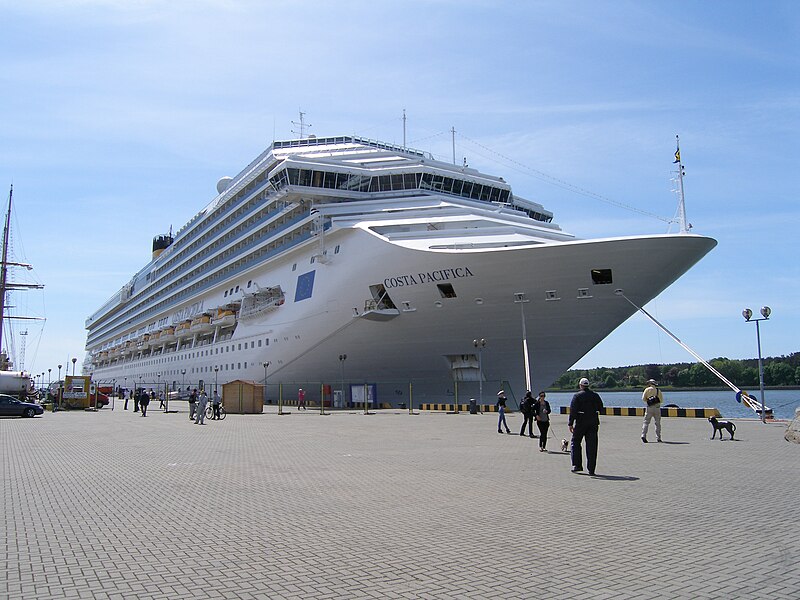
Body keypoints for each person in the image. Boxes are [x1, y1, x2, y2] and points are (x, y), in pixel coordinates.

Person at [568, 378, 603, 475]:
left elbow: (573, 410)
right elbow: (601, 408)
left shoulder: (577, 396)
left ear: (580, 385)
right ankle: (591, 469)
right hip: (593, 422)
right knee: (592, 445)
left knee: (575, 442)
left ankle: (577, 465)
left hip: (581, 422)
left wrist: (570, 423)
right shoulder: (595, 395)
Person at [641, 378, 663, 443]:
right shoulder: (658, 391)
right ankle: (658, 437)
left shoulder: (647, 390)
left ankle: (643, 435)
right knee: (657, 423)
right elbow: (661, 400)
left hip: (649, 408)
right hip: (657, 408)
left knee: (646, 422)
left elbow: (643, 399)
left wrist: (649, 400)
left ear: (650, 384)